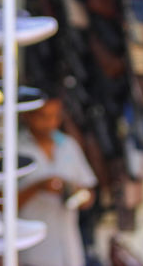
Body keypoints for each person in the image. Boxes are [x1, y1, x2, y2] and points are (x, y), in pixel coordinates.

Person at [18, 97, 97, 266]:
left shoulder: (68, 145)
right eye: (43, 116)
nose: (50, 123)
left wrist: (77, 194)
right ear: (27, 116)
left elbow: (89, 193)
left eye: (55, 116)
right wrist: (38, 187)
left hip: (69, 250)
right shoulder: (16, 148)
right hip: (32, 253)